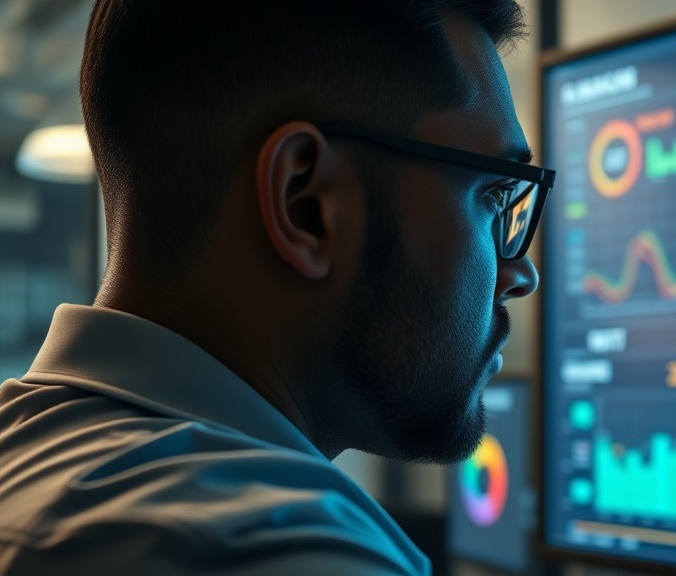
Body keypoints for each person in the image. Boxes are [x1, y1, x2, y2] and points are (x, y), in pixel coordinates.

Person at [0, 0, 554, 574]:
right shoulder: (282, 551)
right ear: (306, 206)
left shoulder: (21, 456)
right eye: (491, 196)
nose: (520, 274)